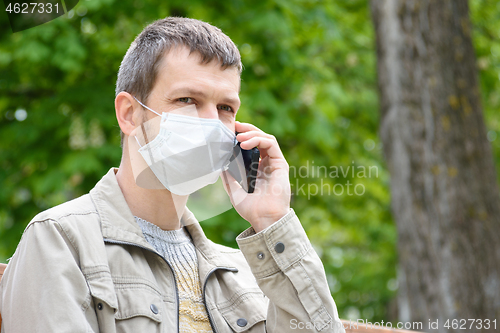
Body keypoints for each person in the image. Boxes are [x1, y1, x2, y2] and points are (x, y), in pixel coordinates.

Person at [0, 17, 345, 333]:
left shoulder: (241, 271)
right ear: (130, 114)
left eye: (226, 108)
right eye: (187, 99)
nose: (211, 123)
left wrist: (272, 221)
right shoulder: (61, 241)